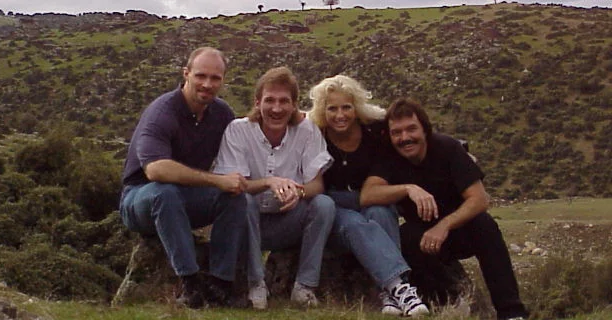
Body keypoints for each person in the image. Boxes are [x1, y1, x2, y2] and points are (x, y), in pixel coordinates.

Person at [361, 97, 528, 320]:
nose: (405, 138)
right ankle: (448, 302)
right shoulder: (390, 156)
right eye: (397, 133)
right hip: (422, 237)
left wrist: (444, 226)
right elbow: (367, 195)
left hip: (460, 228)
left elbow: (479, 199)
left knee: (486, 226)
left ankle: (511, 312)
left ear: (425, 129)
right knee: (406, 238)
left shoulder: (448, 148)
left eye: (411, 129)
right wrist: (408, 188)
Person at [119, 47, 248, 308]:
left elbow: (248, 134)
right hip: (140, 199)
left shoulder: (221, 114)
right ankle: (190, 284)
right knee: (165, 193)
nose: (207, 84)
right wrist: (215, 180)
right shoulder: (162, 112)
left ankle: (220, 284)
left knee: (234, 197)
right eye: (201, 76)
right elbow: (155, 170)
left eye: (215, 78)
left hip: (186, 199)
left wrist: (297, 120)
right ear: (186, 74)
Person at [213, 66, 335, 309]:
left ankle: (304, 286)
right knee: (242, 201)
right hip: (247, 225)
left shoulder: (307, 130)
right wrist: (269, 182)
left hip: (288, 220)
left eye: (284, 101)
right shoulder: (238, 130)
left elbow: (317, 185)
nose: (276, 109)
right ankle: (255, 283)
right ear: (258, 102)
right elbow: (233, 186)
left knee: (324, 204)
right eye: (269, 100)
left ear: (294, 105)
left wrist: (298, 191)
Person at [307, 75, 428, 317]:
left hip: (371, 199)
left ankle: (388, 295)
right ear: (322, 110)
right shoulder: (314, 134)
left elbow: (406, 130)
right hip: (333, 208)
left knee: (380, 212)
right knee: (355, 223)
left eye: (346, 107)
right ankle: (400, 287)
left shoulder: (374, 131)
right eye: (332, 108)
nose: (340, 115)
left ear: (357, 107)